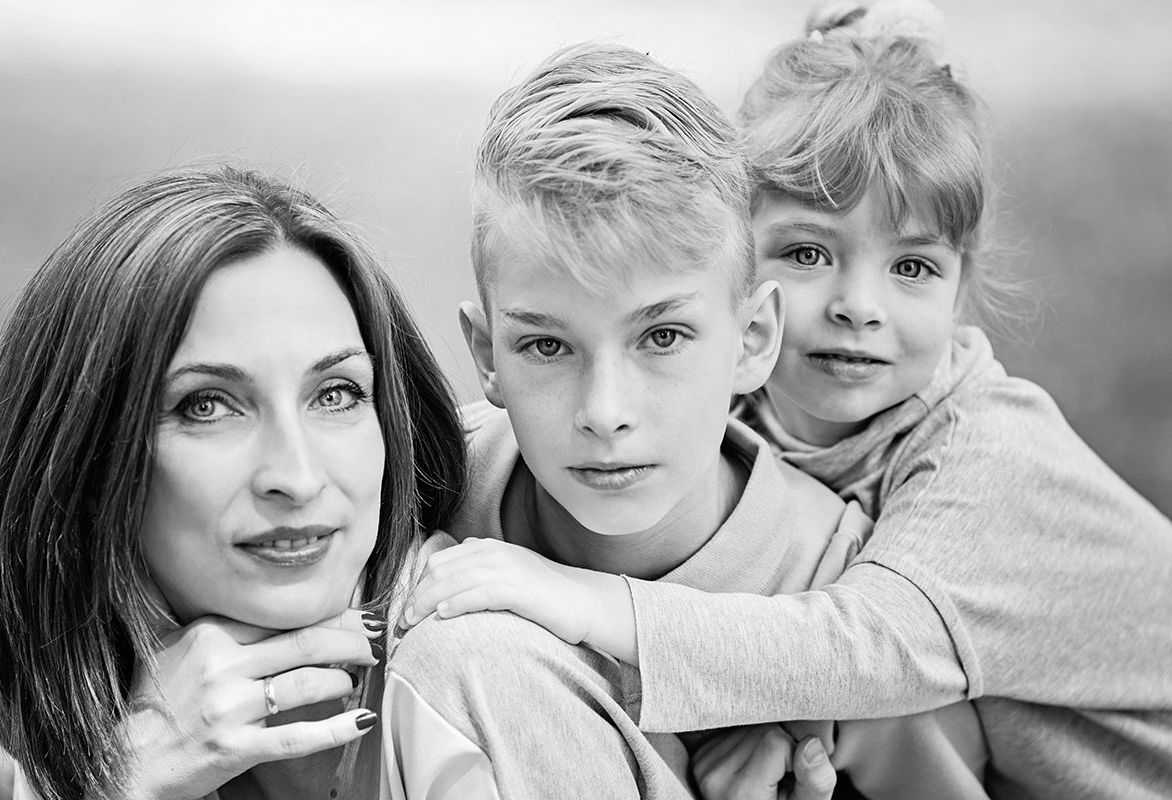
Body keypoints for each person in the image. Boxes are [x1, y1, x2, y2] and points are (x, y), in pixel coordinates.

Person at [402, 4, 1172, 799]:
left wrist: (594, 603)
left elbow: (864, 652)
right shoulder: (748, 411)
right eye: (808, 252)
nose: (858, 306)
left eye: (912, 267)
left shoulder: (986, 461)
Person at [0, 165, 466, 800]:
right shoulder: (34, 738)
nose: (296, 478)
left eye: (336, 394)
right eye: (206, 406)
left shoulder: (475, 666)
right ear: (87, 464)